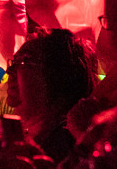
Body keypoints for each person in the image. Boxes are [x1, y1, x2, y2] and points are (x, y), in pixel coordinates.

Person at [6, 29, 98, 162]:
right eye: (13, 63)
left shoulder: (66, 145)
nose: (9, 71)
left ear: (58, 76)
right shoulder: (41, 139)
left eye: (24, 61)